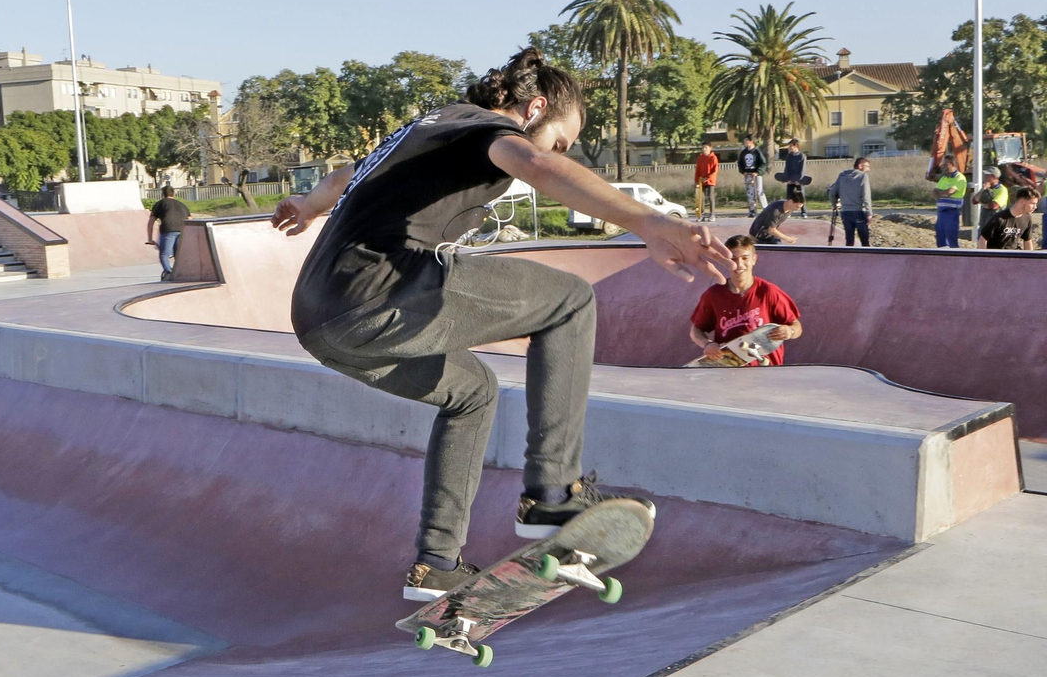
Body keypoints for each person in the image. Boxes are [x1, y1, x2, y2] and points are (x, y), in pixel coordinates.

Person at [275, 46, 732, 602]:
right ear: (536, 108)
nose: (563, 150)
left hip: (320, 320)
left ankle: (437, 563)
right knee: (570, 300)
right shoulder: (488, 130)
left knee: (471, 392)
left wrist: (305, 204)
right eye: (563, 138)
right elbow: (536, 165)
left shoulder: (424, 129)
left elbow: (345, 174)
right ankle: (553, 493)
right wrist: (647, 219)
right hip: (382, 288)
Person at [689, 235, 803, 366]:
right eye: (733, 259)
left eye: (745, 258)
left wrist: (790, 332)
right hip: (729, 371)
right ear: (725, 261)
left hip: (767, 371)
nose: (739, 264)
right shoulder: (714, 294)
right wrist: (707, 344)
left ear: (754, 259)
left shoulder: (768, 292)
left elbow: (797, 326)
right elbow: (696, 330)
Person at [827, 157, 874, 247]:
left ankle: (848, 258)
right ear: (860, 166)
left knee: (849, 239)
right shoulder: (863, 176)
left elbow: (832, 192)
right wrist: (869, 213)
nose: (869, 169)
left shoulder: (842, 175)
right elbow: (866, 196)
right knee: (864, 241)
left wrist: (834, 205)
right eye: (867, 166)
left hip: (845, 212)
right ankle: (867, 259)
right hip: (859, 211)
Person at [147, 185, 191, 280]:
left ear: (162, 194)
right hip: (182, 230)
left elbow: (151, 222)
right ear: (173, 194)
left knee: (164, 254)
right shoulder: (181, 204)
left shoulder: (160, 204)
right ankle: (181, 273)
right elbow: (190, 219)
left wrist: (150, 239)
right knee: (178, 255)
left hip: (168, 230)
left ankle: (168, 273)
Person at [978, 185, 1038, 250]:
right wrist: (985, 258)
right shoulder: (999, 218)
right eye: (1032, 203)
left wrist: (1029, 258)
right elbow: (983, 239)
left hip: (1014, 255)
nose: (1035, 207)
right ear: (1022, 202)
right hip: (997, 255)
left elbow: (1027, 240)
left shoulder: (1027, 218)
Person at [933, 155, 968, 249]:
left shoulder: (959, 178)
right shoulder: (944, 178)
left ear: (953, 164)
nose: (942, 166)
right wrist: (942, 193)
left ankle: (954, 258)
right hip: (941, 213)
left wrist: (941, 193)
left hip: (951, 212)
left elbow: (948, 193)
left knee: (951, 238)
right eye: (942, 164)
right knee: (940, 238)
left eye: (945, 164)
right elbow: (934, 193)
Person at [970, 167, 1009, 234]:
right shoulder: (986, 188)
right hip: (984, 222)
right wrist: (983, 189)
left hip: (995, 221)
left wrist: (981, 202)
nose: (985, 177)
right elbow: (974, 201)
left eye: (988, 175)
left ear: (994, 177)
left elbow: (993, 206)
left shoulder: (1002, 190)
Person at [736, 137, 766, 217]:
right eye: (745, 141)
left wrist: (758, 172)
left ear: (751, 141)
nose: (745, 142)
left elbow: (763, 163)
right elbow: (740, 163)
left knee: (760, 191)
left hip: (757, 174)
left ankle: (766, 209)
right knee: (750, 193)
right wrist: (743, 171)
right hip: (748, 174)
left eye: (747, 141)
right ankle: (752, 210)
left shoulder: (757, 151)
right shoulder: (744, 152)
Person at [778, 138, 808, 217]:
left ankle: (803, 212)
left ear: (796, 146)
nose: (790, 147)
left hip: (799, 180)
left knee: (801, 196)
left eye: (791, 146)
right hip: (790, 180)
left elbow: (802, 169)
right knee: (789, 197)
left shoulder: (802, 156)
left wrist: (799, 180)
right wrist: (787, 179)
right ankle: (787, 212)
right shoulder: (789, 156)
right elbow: (787, 168)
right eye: (790, 146)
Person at [692, 143, 719, 222]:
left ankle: (712, 214)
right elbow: (697, 170)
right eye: (703, 147)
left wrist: (708, 178)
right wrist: (696, 181)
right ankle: (701, 214)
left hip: (710, 181)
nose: (704, 149)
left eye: (706, 147)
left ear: (710, 148)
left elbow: (715, 170)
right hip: (701, 181)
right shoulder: (700, 158)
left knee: (710, 196)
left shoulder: (713, 158)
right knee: (701, 197)